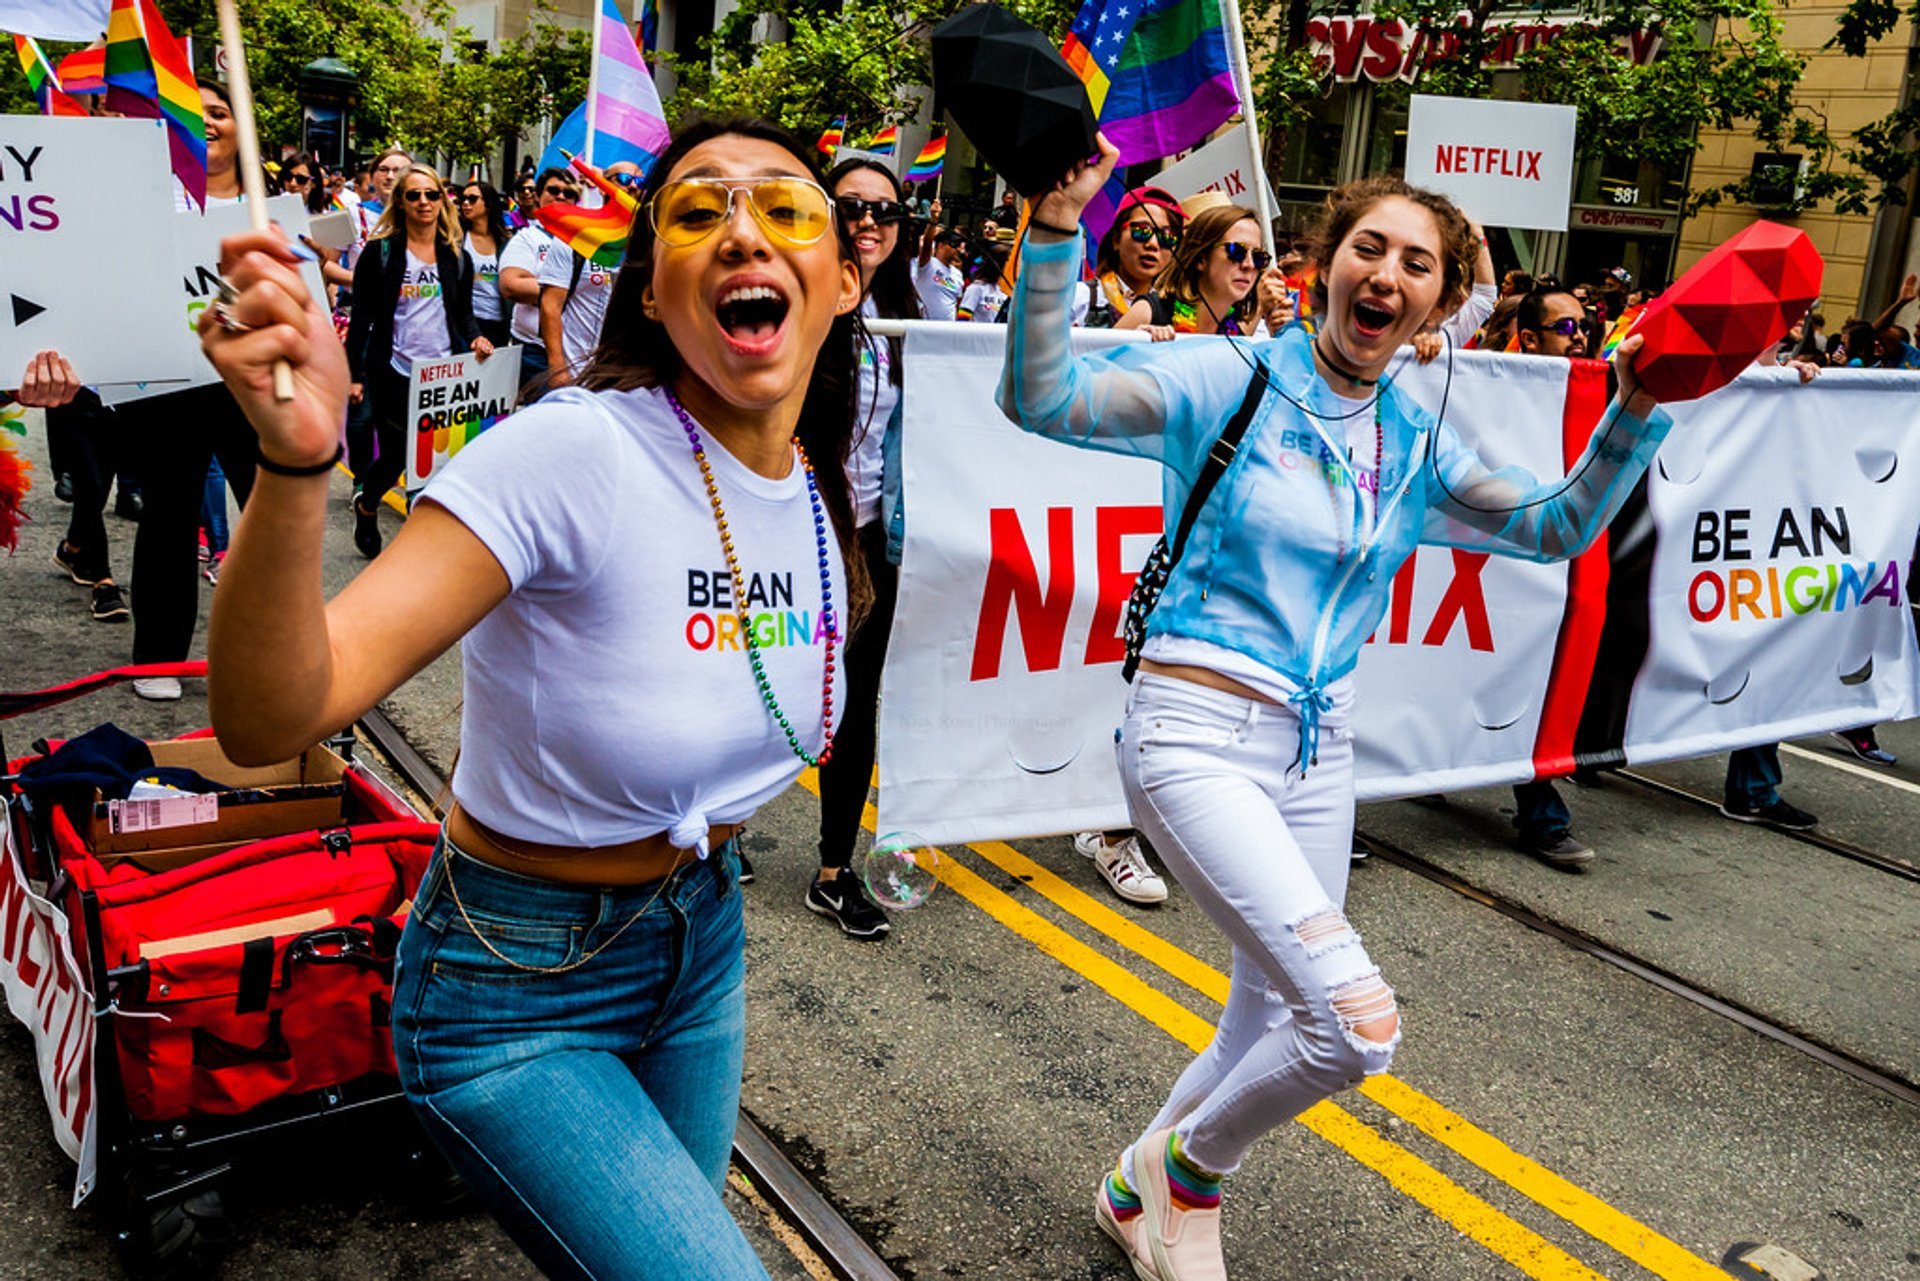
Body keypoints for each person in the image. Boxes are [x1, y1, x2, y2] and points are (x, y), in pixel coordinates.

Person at [199, 115, 864, 1281]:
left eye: (787, 209)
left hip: (697, 944)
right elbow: (270, 719)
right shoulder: (575, 453)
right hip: (514, 986)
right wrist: (297, 467)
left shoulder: (814, 485)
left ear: (845, 278)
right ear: (651, 294)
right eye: (700, 213)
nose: (744, 232)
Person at [1000, 138, 1674, 1281]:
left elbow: (1555, 525)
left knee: (1268, 1016)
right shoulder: (1230, 378)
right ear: (1322, 264)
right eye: (1370, 247)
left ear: (1439, 305)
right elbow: (1043, 395)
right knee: (1357, 1024)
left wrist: (1639, 407)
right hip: (1194, 728)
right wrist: (1058, 229)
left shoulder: (1417, 437)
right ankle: (1189, 1175)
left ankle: (1134, 1192)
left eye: (1418, 265)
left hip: (1321, 748)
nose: (1389, 274)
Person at [115, 80, 265, 701]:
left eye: (220, 112)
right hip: (173, 381)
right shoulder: (146, 203)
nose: (206, 122)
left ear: (241, 127)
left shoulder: (266, 205)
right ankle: (157, 659)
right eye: (192, 112)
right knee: (171, 516)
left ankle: (268, 654)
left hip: (249, 382)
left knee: (267, 516)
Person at [809, 156, 920, 939]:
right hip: (798, 524)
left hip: (878, 535)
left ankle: (832, 868)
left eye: (886, 208)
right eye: (852, 205)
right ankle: (722, 827)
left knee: (855, 705)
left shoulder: (914, 309)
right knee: (768, 686)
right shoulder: (802, 297)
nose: (871, 220)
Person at [344, 164, 492, 558]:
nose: (423, 202)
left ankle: (421, 546)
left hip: (443, 375)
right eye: (414, 195)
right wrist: (354, 375)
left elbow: (463, 313)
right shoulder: (381, 253)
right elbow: (362, 318)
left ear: (443, 200)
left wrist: (476, 336)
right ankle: (368, 502)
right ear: (401, 203)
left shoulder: (456, 255)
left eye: (431, 194)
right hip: (393, 371)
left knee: (436, 459)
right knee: (395, 456)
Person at [537, 161, 639, 386]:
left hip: (623, 377)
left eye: (639, 181)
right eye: (623, 179)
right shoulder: (574, 235)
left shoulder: (646, 243)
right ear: (603, 187)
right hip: (577, 372)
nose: (632, 186)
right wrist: (558, 369)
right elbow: (550, 306)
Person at [1114, 203, 1267, 339]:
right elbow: (1095, 367)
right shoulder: (1150, 313)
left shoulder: (1237, 339)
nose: (1249, 265)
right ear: (1201, 259)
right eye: (1236, 251)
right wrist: (1135, 346)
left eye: (1258, 256)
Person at [497, 166, 577, 391]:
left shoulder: (588, 242)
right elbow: (512, 285)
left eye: (568, 193)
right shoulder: (527, 238)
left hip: (581, 353)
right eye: (554, 190)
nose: (561, 196)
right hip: (537, 352)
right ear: (539, 195)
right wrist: (569, 291)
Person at [458, 180, 514, 347]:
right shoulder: (457, 238)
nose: (466, 204)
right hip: (468, 322)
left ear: (488, 204)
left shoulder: (506, 242)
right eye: (463, 199)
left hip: (499, 323)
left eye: (473, 199)